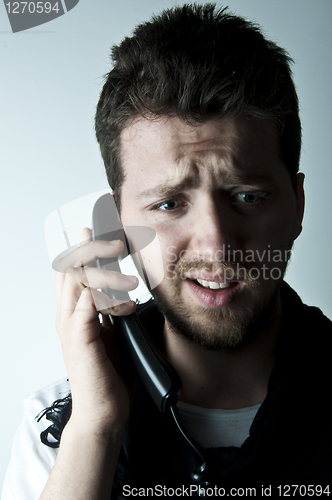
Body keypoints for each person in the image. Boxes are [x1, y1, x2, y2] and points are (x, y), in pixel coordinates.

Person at [2, 4, 331, 499]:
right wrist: (96, 430)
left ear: (297, 206)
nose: (216, 244)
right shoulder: (60, 430)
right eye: (169, 203)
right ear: (113, 226)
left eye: (247, 196)